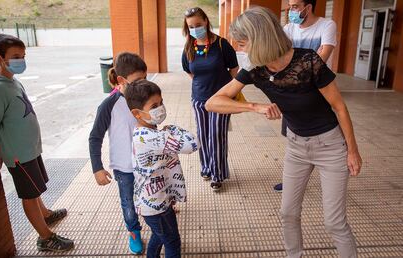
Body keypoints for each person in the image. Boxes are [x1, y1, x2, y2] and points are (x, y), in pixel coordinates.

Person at [205, 7, 362, 258]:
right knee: (288, 213)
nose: (240, 49)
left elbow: (339, 107)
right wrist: (254, 106)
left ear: (260, 39)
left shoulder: (309, 61)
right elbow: (212, 102)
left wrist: (352, 151)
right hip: (297, 146)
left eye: (243, 43)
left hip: (330, 146)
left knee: (334, 222)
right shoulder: (256, 69)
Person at [0, 34, 74, 252]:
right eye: (16, 56)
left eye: (23, 56)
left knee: (35, 189)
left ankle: (45, 214)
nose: (21, 61)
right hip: (18, 154)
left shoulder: (12, 82)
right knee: (29, 194)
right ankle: (45, 238)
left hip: (30, 150)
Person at [125, 79, 199, 258]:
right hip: (156, 206)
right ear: (137, 113)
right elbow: (193, 144)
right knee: (172, 241)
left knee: (159, 237)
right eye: (154, 105)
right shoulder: (153, 138)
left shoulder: (146, 132)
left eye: (162, 102)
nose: (161, 108)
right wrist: (173, 128)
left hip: (155, 202)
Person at [274, 0, 338, 193]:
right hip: (293, 93)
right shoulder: (288, 28)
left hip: (319, 92)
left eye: (294, 6)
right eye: (290, 6)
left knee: (320, 134)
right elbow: (281, 58)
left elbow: (321, 60)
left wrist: (295, 65)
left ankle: (326, 173)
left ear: (308, 7)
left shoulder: (327, 26)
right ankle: (293, 180)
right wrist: (306, 61)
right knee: (293, 135)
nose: (291, 11)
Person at [89, 52, 147, 254]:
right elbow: (95, 137)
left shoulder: (144, 97)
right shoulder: (109, 105)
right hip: (124, 167)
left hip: (147, 162)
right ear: (122, 80)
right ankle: (134, 232)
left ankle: (159, 221)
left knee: (152, 193)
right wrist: (97, 167)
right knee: (128, 203)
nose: (143, 84)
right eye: (138, 80)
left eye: (145, 79)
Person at [182, 7, 239, 191]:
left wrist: (227, 91)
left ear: (206, 21)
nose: (195, 28)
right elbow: (190, 72)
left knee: (216, 136)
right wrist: (202, 85)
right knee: (204, 136)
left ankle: (218, 174)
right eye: (191, 26)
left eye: (198, 24)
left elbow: (234, 70)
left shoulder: (222, 44)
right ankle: (206, 167)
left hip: (221, 100)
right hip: (199, 99)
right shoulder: (189, 47)